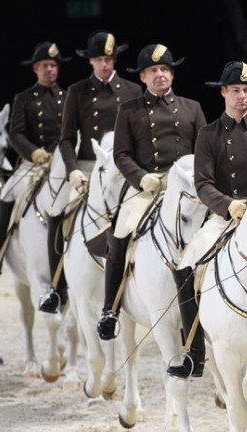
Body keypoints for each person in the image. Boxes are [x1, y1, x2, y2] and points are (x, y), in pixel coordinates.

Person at [165, 60, 247, 378]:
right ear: (224, 92)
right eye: (236, 90)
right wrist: (228, 206)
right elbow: (203, 183)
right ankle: (193, 350)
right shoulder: (208, 134)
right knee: (187, 264)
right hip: (225, 218)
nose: (242, 96)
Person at [96, 44, 206, 354]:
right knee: (121, 229)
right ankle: (110, 308)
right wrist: (140, 177)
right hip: (146, 187)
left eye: (165, 70)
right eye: (153, 71)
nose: (160, 75)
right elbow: (120, 153)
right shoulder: (129, 110)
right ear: (143, 77)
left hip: (185, 188)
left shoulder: (191, 107)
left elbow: (204, 152)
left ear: (172, 73)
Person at [37, 30, 142, 313]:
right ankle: (57, 288)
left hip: (123, 169)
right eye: (99, 59)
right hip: (87, 166)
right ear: (91, 62)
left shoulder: (132, 91)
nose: (104, 65)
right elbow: (67, 138)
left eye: (108, 59)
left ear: (114, 59)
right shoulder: (77, 91)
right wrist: (72, 170)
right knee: (57, 210)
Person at [0, 41, 70, 290]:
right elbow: (15, 134)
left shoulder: (67, 98)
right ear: (35, 69)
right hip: (33, 165)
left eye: (53, 65)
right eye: (44, 66)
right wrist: (34, 153)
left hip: (62, 163)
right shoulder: (24, 99)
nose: (49, 70)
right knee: (7, 196)